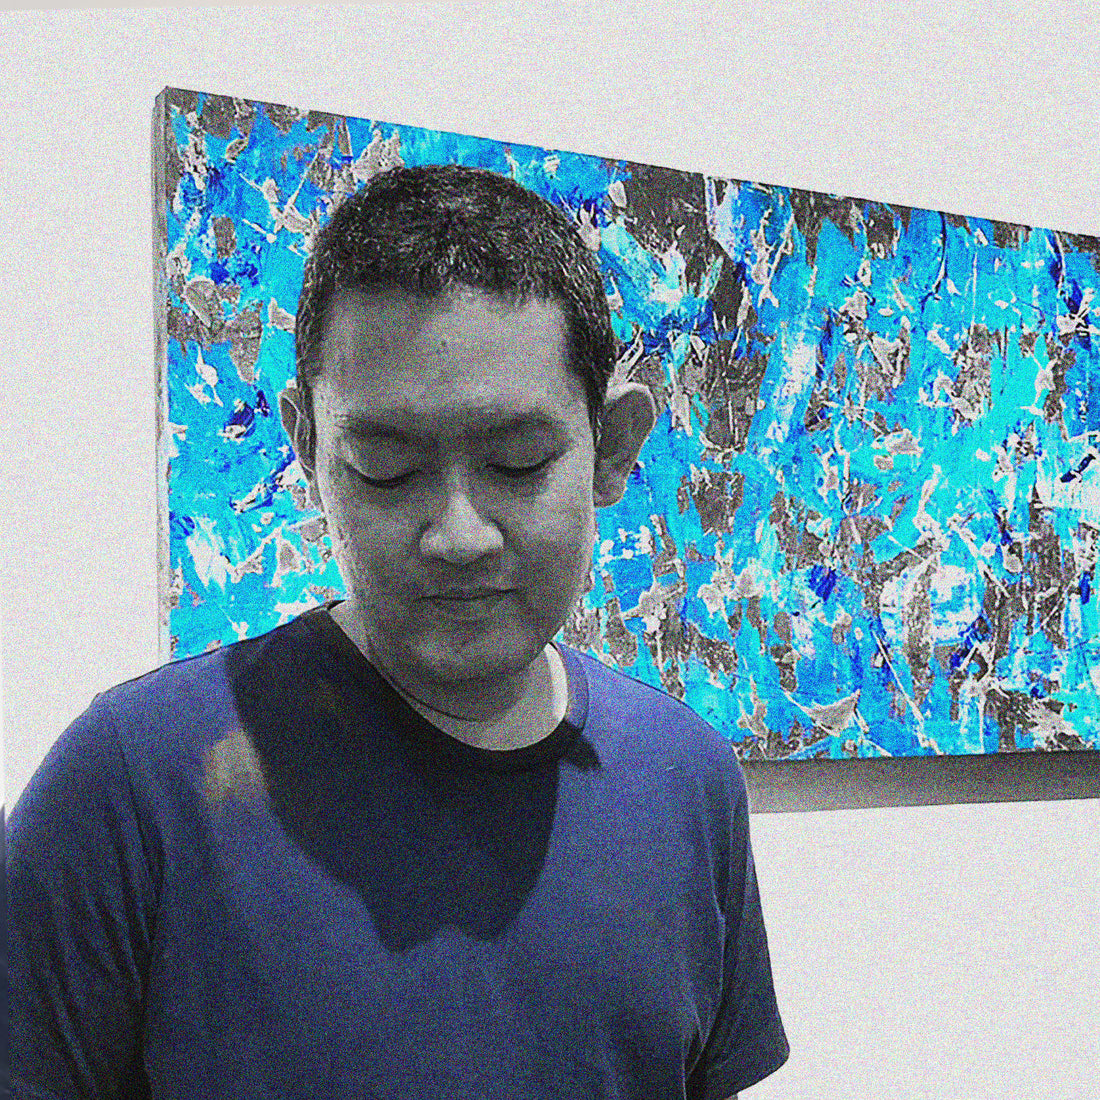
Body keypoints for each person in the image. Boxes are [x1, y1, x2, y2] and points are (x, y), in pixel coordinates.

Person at [7, 164, 789, 1099]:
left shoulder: (687, 782)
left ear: (612, 449)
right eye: (386, 469)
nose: (458, 535)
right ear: (307, 447)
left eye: (518, 462)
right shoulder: (134, 786)